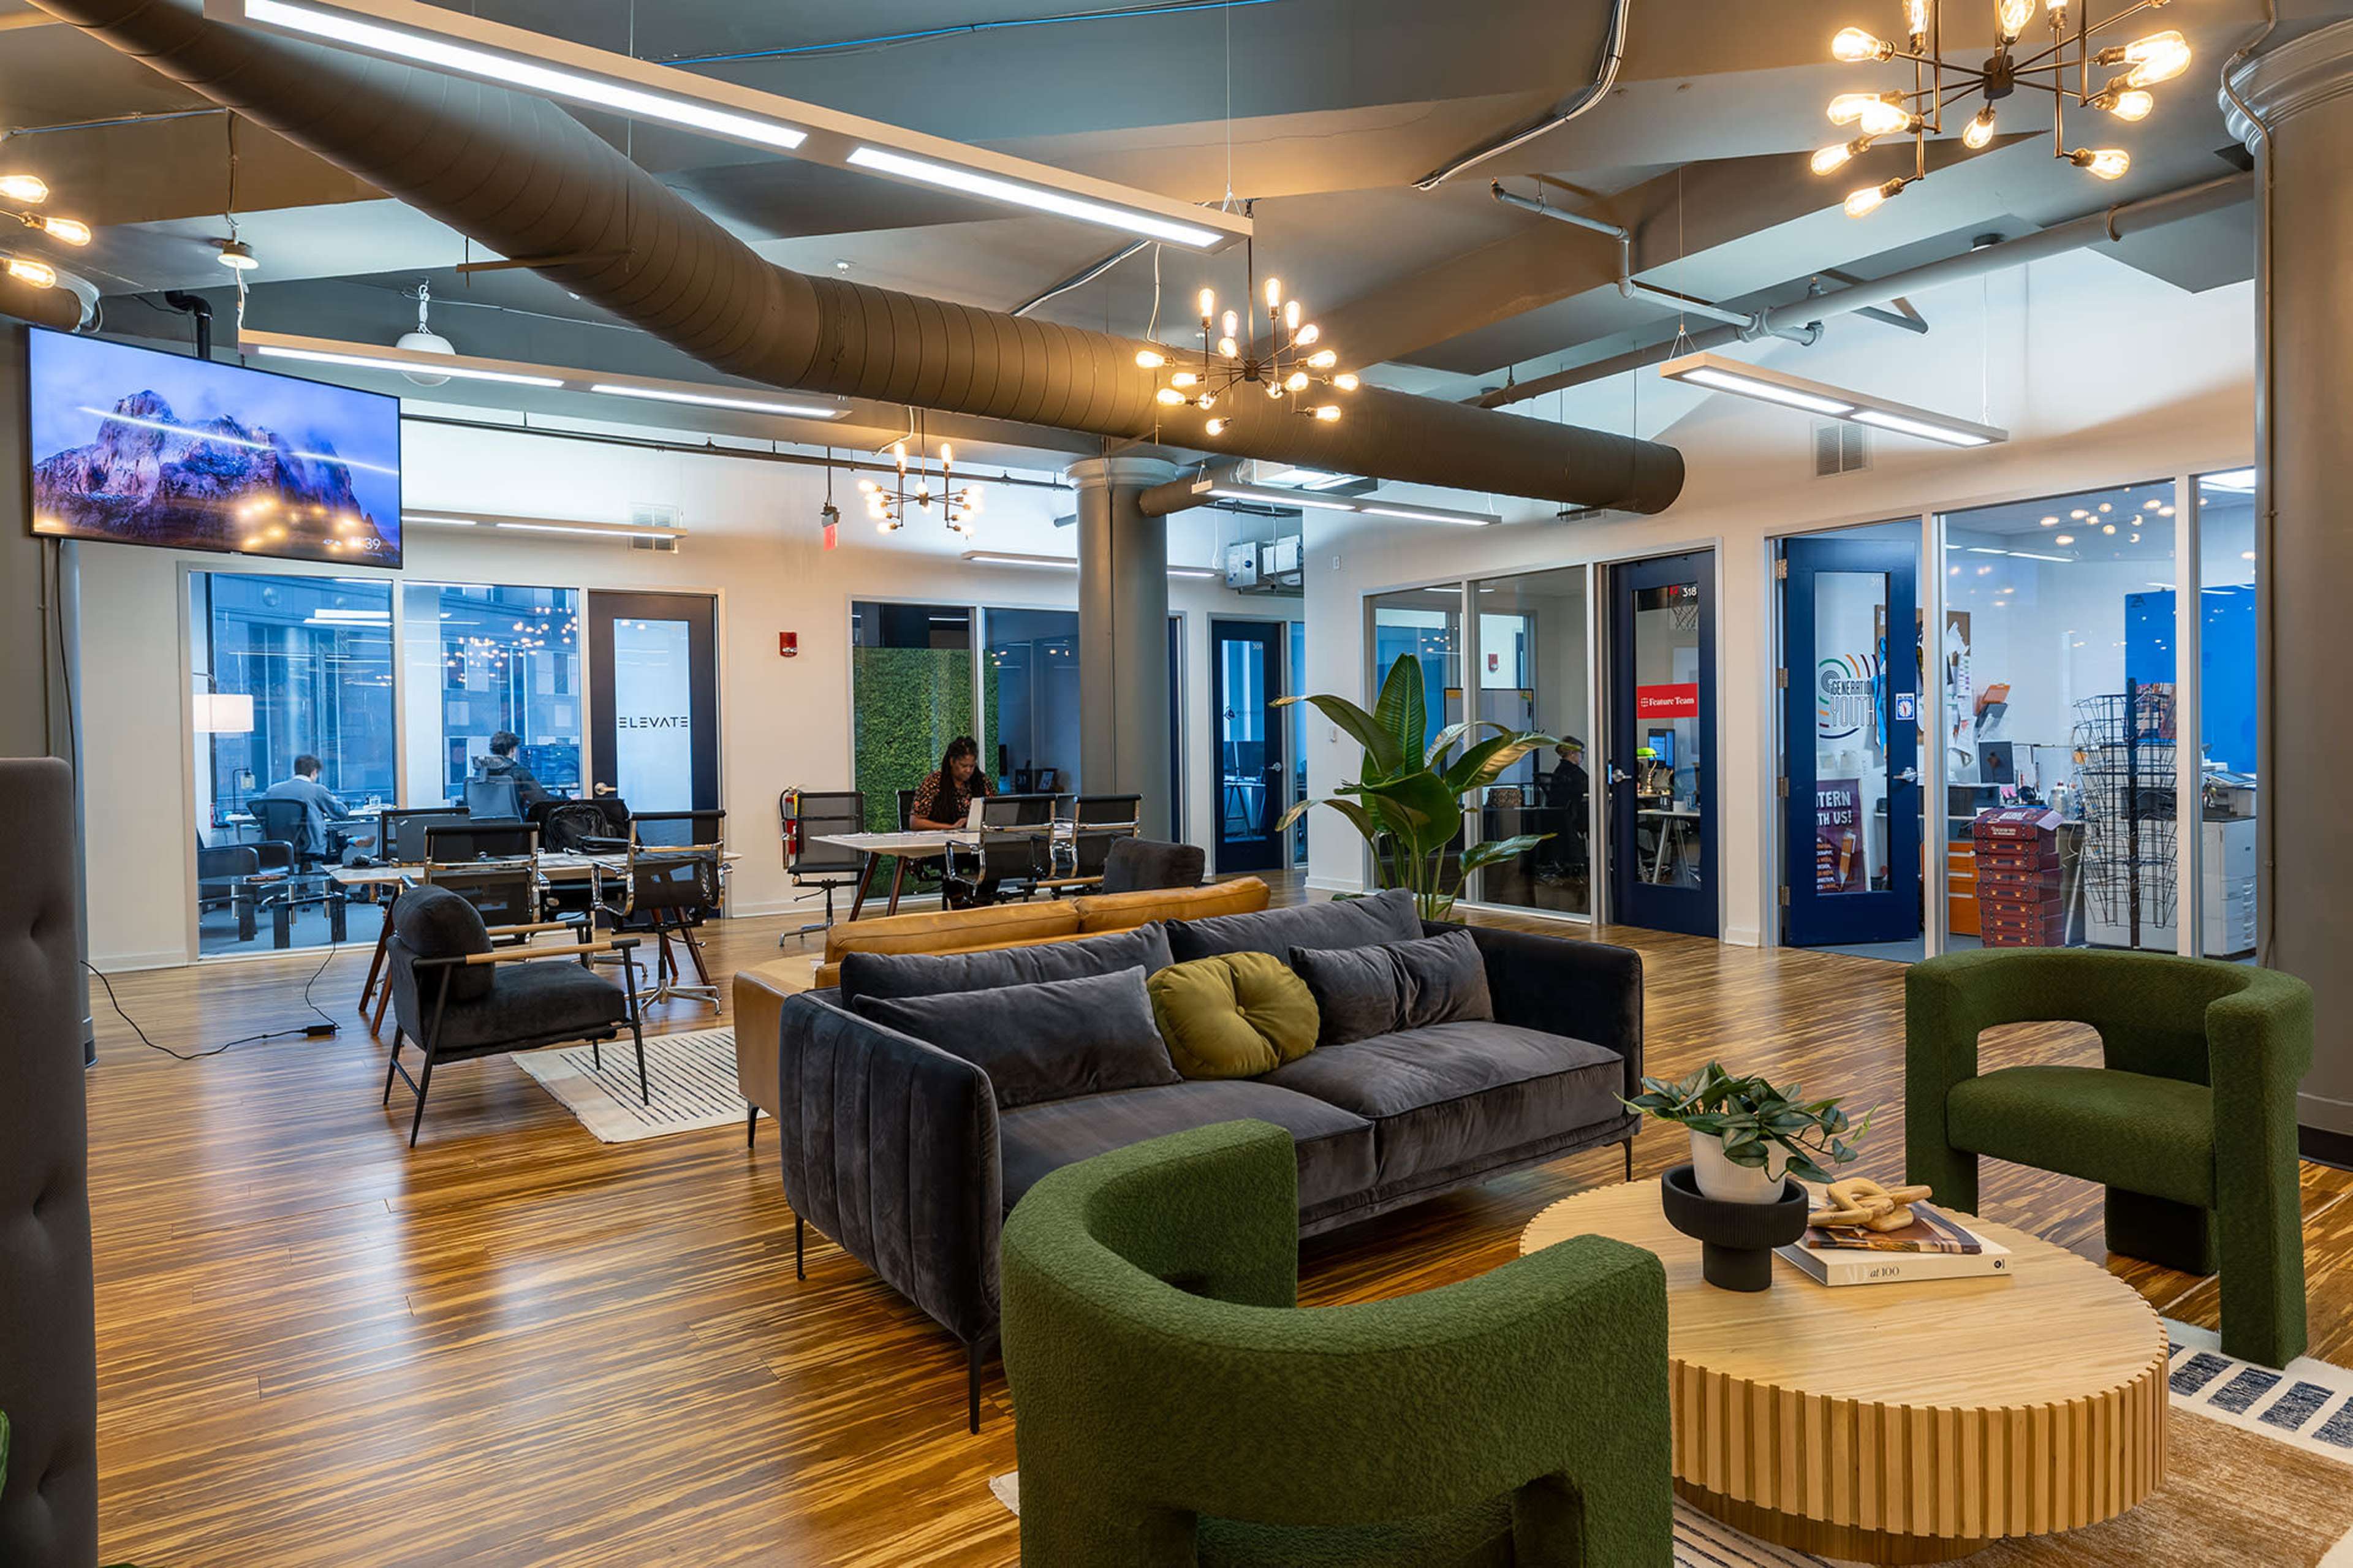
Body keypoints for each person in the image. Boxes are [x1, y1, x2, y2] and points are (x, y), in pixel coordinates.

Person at [263, 754, 376, 864]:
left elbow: (259, 812)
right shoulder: (318, 790)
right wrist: (331, 800)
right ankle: (349, 842)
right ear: (314, 772)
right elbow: (341, 814)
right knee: (335, 841)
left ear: (296, 770)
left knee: (331, 837)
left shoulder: (272, 790)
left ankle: (350, 840)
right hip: (309, 847)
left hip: (277, 846)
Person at [909, 736, 992, 831]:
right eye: (964, 766)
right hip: (941, 837)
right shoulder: (934, 782)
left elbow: (994, 813)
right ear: (952, 762)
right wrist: (951, 827)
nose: (968, 770)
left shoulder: (982, 782)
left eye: (972, 766)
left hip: (976, 837)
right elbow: (915, 822)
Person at [473, 730, 551, 811]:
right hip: (513, 819)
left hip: (481, 819)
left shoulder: (480, 773)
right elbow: (542, 800)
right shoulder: (519, 772)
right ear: (513, 749)